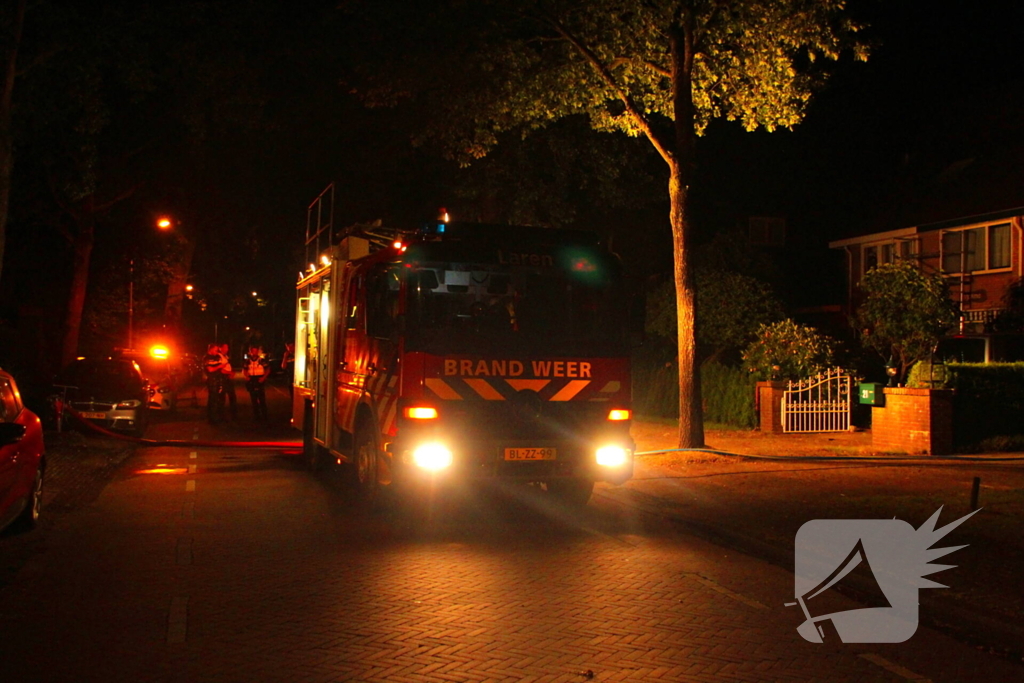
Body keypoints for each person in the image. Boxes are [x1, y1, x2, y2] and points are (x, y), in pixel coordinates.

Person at [243, 346, 270, 422]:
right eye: (252, 351)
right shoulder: (247, 361)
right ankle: (256, 416)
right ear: (250, 352)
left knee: (262, 398)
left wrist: (263, 378)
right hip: (251, 379)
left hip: (259, 379)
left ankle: (265, 415)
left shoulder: (261, 360)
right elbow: (244, 369)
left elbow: (268, 369)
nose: (254, 353)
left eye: (255, 351)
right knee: (253, 399)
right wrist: (246, 376)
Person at [202, 343, 227, 424]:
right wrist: (219, 367)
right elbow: (210, 369)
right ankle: (212, 418)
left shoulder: (216, 357)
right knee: (213, 399)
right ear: (211, 349)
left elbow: (222, 366)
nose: (217, 352)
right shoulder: (207, 358)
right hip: (212, 381)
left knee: (219, 399)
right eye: (216, 350)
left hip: (218, 380)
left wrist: (228, 372)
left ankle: (219, 416)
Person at [219, 343, 238, 422]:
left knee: (232, 396)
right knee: (222, 398)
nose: (227, 349)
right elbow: (220, 369)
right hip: (223, 379)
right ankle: (221, 415)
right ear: (220, 348)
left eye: (227, 348)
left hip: (228, 378)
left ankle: (234, 414)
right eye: (225, 348)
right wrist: (229, 373)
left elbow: (228, 366)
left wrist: (232, 372)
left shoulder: (226, 356)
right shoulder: (219, 357)